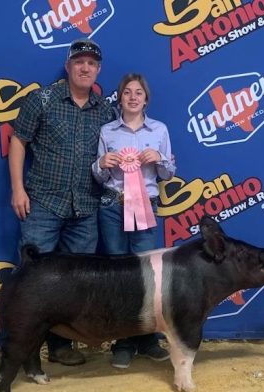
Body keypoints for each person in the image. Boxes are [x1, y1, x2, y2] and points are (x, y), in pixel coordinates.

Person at [6, 38, 115, 367]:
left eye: (92, 64)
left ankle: (60, 347)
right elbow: (18, 141)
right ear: (68, 66)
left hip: (85, 209)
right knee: (29, 282)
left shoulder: (106, 111)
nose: (85, 68)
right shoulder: (42, 99)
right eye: (79, 62)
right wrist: (17, 189)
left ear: (98, 70)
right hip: (42, 204)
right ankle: (11, 351)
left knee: (73, 286)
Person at [92, 73, 176, 369]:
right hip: (112, 206)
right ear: (120, 97)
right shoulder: (107, 131)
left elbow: (168, 174)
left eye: (138, 92)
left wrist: (161, 161)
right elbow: (100, 176)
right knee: (118, 275)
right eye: (127, 92)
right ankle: (123, 340)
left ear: (146, 98)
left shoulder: (160, 130)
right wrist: (101, 164)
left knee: (148, 273)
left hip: (145, 207)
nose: (132, 97)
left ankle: (148, 339)